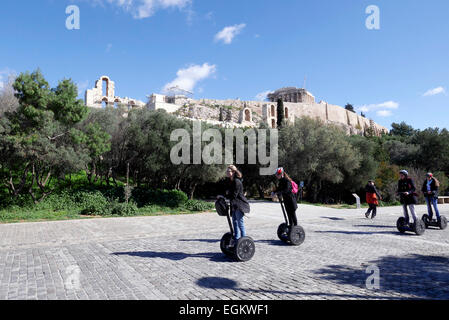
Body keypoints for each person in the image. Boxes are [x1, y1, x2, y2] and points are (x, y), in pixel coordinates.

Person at [223, 165, 250, 245]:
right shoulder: (230, 181)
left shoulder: (237, 181)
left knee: (240, 223)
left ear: (233, 172)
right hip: (234, 205)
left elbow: (234, 195)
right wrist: (225, 195)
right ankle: (237, 240)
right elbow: (229, 193)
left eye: (229, 171)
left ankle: (244, 242)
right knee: (234, 222)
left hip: (240, 205)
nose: (227, 173)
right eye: (227, 171)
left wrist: (226, 195)